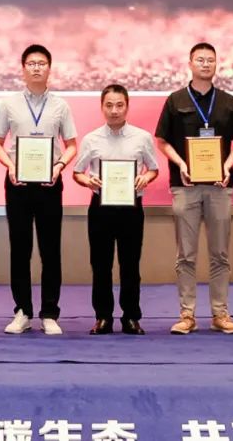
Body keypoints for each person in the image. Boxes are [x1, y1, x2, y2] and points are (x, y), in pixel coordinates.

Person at [154, 42, 233, 335]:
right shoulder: (175, 101)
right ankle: (187, 314)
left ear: (216, 64)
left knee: (220, 254)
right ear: (190, 64)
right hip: (185, 187)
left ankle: (220, 314)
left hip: (220, 187)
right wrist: (181, 164)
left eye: (210, 60)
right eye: (200, 60)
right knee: (185, 254)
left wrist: (227, 166)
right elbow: (162, 141)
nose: (206, 64)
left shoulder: (229, 102)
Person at [0, 44, 78, 335]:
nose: (36, 68)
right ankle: (23, 312)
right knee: (20, 249)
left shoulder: (60, 106)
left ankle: (50, 313)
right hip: (17, 184)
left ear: (49, 69)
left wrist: (59, 166)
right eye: (31, 63)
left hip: (49, 184)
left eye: (41, 63)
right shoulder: (9, 104)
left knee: (50, 250)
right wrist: (10, 165)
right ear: (23, 69)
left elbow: (72, 145)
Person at [72, 84, 158, 335]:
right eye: (109, 105)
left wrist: (145, 178)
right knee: (101, 265)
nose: (114, 110)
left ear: (127, 106)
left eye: (119, 105)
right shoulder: (91, 139)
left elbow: (153, 169)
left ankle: (131, 317)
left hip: (131, 208)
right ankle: (103, 317)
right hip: (101, 208)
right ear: (102, 107)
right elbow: (77, 172)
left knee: (130, 264)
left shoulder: (142, 137)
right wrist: (88, 181)